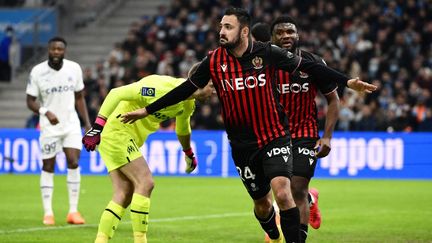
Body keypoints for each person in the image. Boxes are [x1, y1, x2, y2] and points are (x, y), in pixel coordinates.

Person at [121, 7, 377, 243]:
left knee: (285, 192)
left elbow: (308, 66)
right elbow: (186, 88)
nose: (221, 31)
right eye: (221, 26)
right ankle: (272, 232)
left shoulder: (267, 53)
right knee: (263, 206)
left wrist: (346, 81)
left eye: (228, 27)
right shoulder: (213, 61)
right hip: (243, 144)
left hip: (275, 135)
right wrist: (147, 109)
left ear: (244, 31)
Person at [82, 63, 214, 243]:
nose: (214, 91)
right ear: (198, 82)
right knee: (146, 182)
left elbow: (183, 128)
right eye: (212, 86)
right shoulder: (159, 87)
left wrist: (188, 153)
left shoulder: (188, 103)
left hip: (123, 137)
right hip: (116, 131)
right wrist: (97, 127)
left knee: (124, 192)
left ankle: (101, 240)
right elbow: (116, 93)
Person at [264, 15, 342, 242]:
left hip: (304, 135)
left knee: (296, 189)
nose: (286, 36)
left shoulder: (313, 62)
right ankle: (310, 199)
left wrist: (327, 137)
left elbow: (334, 100)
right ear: (272, 37)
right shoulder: (264, 63)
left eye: (291, 32)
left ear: (297, 35)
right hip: (274, 135)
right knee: (281, 192)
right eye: (281, 32)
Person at [26, 36, 91, 225]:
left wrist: (87, 123)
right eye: (53, 49)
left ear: (64, 51)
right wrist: (45, 112)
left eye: (59, 49)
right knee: (48, 166)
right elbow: (30, 101)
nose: (56, 52)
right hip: (49, 128)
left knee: (73, 162)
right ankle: (48, 213)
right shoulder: (38, 72)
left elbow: (80, 97)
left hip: (71, 124)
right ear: (48, 50)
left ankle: (73, 211)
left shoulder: (74, 69)